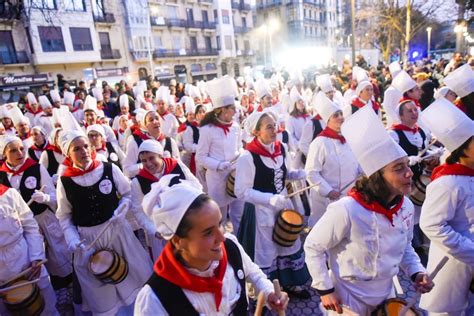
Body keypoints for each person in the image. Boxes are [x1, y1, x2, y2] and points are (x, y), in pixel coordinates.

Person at [304, 106, 433, 315]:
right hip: (347, 297)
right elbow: (313, 246)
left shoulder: (406, 207)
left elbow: (405, 245)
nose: (409, 173)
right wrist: (324, 288)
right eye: (398, 168)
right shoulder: (346, 209)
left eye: (407, 165)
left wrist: (417, 272)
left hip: (386, 294)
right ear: (377, 176)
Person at [135, 176, 289, 315]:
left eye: (220, 224)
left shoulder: (230, 247)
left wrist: (269, 293)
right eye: (208, 232)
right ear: (178, 241)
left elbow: (253, 274)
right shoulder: (154, 300)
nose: (221, 237)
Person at [56, 130, 152, 315]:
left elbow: (127, 193)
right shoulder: (65, 181)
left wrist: (122, 207)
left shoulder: (108, 169)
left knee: (133, 276)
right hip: (88, 241)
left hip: (117, 232)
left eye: (86, 146)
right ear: (68, 153)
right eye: (77, 148)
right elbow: (64, 215)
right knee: (102, 290)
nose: (84, 151)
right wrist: (71, 237)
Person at [235, 111, 311, 299]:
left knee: (288, 244)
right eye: (269, 126)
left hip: (283, 206)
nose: (274, 129)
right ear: (256, 131)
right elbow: (241, 191)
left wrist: (296, 174)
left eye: (274, 125)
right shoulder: (247, 157)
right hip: (260, 211)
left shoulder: (281, 148)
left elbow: (283, 173)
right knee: (266, 251)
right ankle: (266, 295)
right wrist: (269, 199)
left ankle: (290, 283)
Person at [0, 135, 73, 309]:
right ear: (4, 154)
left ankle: (62, 288)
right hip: (18, 228)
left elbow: (55, 198)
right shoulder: (2, 175)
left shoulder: (37, 168)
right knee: (31, 262)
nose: (19, 153)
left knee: (56, 256)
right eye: (13, 150)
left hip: (42, 219)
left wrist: (45, 197)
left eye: (21, 149)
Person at [418, 99, 474, 315]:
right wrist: (470, 251)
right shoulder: (448, 182)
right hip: (452, 265)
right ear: (463, 150)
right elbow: (431, 225)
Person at [130, 139, 199, 259]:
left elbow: (196, 186)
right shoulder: (138, 182)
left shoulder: (177, 166)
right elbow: (138, 211)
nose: (148, 164)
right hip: (160, 232)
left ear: (160, 155)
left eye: (152, 158)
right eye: (143, 161)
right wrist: (154, 230)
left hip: (185, 222)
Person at [0, 184, 59, 316]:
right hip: (2, 275)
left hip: (26, 260)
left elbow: (30, 226)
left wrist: (36, 257)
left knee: (47, 305)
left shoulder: (10, 194)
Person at [196, 76, 244, 234]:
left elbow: (239, 147)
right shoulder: (207, 130)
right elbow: (200, 157)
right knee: (219, 217)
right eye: (232, 108)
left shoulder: (236, 127)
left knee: (239, 213)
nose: (235, 111)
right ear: (223, 110)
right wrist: (218, 165)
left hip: (236, 175)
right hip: (217, 178)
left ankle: (241, 244)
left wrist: (242, 157)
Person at [305, 95, 360, 227]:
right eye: (336, 115)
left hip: (348, 196)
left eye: (341, 114)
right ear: (327, 121)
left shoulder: (348, 140)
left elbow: (356, 164)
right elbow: (311, 173)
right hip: (327, 199)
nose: (341, 117)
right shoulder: (319, 143)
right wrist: (328, 191)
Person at [123, 109, 180, 178]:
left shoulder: (170, 142)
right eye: (151, 120)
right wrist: (146, 165)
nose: (155, 122)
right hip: (146, 185)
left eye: (157, 118)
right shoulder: (135, 142)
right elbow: (127, 171)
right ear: (145, 125)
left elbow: (178, 165)